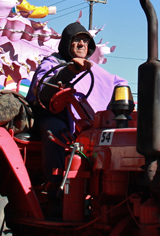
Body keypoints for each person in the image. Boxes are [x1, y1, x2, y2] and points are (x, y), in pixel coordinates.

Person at [28, 23, 126, 201]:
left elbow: (117, 82)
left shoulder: (94, 69)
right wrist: (68, 71)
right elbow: (42, 89)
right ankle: (55, 192)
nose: (82, 44)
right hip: (54, 116)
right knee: (56, 132)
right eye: (77, 40)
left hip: (85, 122)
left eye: (86, 41)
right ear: (67, 43)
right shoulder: (52, 63)